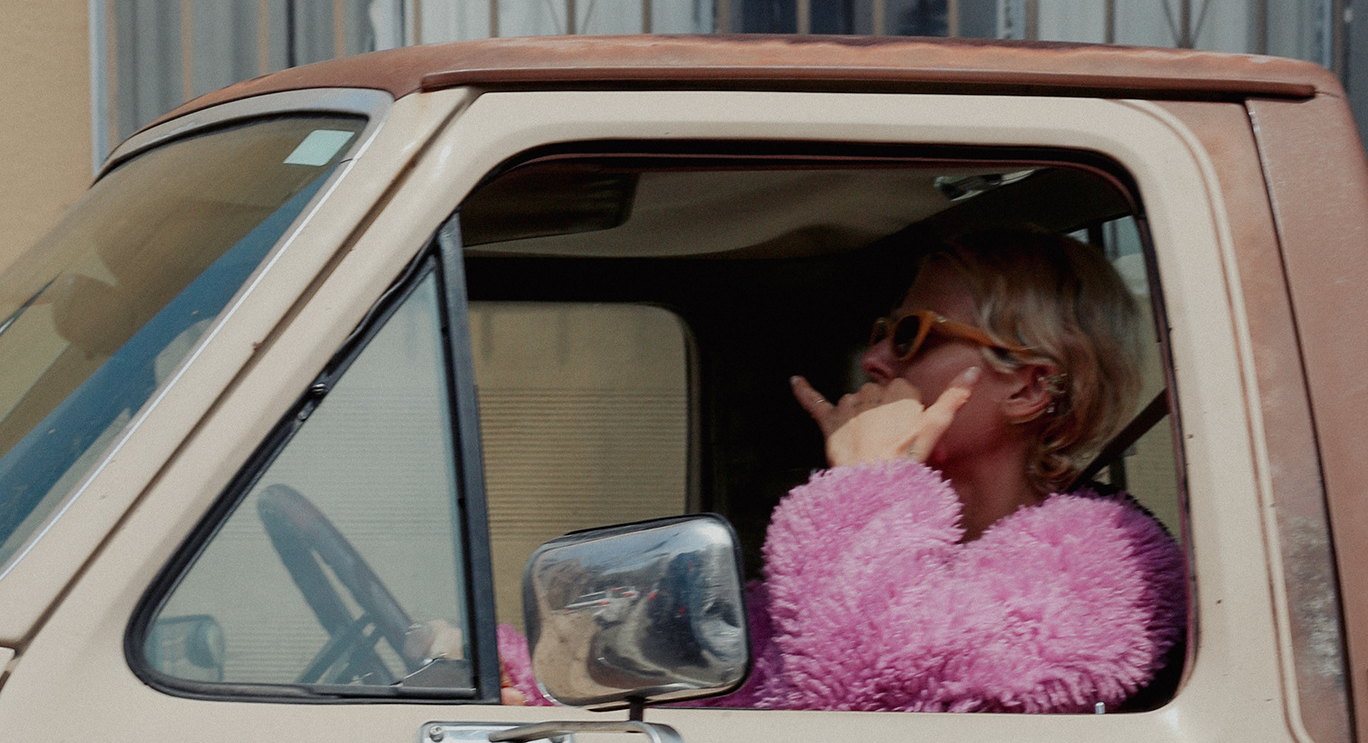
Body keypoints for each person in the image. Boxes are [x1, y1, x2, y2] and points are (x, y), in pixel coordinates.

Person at [499, 226, 1186, 715]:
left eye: (912, 335)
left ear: (1029, 388)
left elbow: (864, 689)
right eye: (883, 332)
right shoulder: (881, 553)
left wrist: (868, 483)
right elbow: (736, 670)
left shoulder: (1101, 569)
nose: (874, 360)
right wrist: (521, 681)